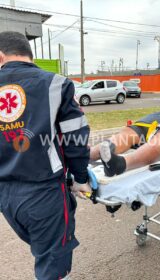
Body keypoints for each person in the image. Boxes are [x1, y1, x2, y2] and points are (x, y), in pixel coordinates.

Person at [0, 31, 92, 280]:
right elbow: (76, 137)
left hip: (6, 197)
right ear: (30, 55)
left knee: (41, 249)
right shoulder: (55, 83)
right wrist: (81, 177)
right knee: (53, 264)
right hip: (44, 193)